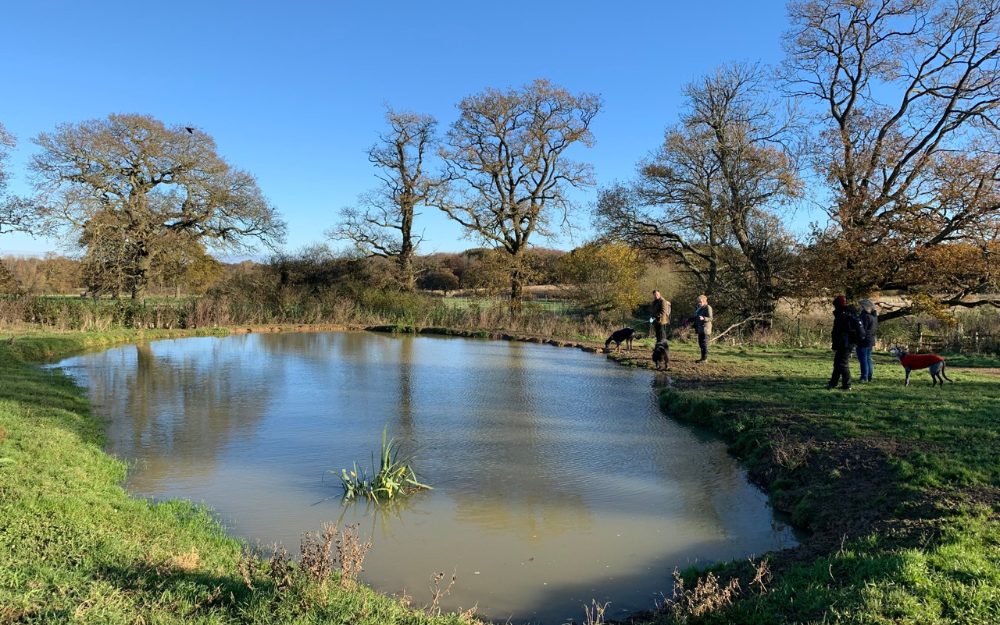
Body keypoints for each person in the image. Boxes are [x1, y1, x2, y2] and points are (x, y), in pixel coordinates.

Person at [829, 295, 860, 390]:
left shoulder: (841, 316)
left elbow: (838, 333)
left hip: (844, 343)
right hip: (849, 343)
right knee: (838, 363)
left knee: (842, 364)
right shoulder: (850, 314)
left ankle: (847, 385)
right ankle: (833, 383)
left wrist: (835, 345)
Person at [856, 299, 878, 382]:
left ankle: (864, 376)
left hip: (863, 340)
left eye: (860, 306)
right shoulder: (874, 316)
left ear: (864, 307)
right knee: (868, 359)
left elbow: (862, 329)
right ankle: (869, 376)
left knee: (863, 359)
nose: (859, 308)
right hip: (870, 339)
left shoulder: (864, 317)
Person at [691, 295, 713, 363]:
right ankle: (702, 358)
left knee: (704, 343)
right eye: (698, 302)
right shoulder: (698, 309)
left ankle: (705, 358)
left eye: (700, 302)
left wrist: (704, 318)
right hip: (700, 328)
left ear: (704, 301)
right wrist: (689, 320)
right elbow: (696, 317)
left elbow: (711, 318)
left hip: (705, 328)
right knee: (700, 343)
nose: (699, 303)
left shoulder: (707, 308)